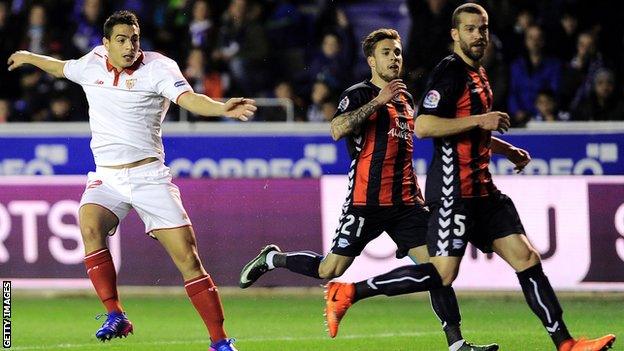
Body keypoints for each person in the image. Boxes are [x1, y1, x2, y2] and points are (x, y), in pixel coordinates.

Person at [324, 4, 616, 351]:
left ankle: (566, 344)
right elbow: (426, 126)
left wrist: (505, 150)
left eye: (483, 29)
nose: (478, 36)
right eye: (470, 30)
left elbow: (468, 128)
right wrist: (481, 121)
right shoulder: (449, 73)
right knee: (443, 273)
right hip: (453, 191)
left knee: (526, 259)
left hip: (483, 190)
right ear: (455, 34)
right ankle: (351, 291)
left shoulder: (479, 74)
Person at [7, 10, 256, 351]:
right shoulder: (91, 63)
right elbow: (61, 66)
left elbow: (190, 100)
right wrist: (29, 57)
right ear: (106, 43)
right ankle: (115, 313)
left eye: (134, 39)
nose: (129, 47)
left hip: (149, 177)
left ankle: (219, 341)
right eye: (121, 41)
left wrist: (222, 108)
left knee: (188, 258)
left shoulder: (159, 67)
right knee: (89, 224)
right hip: (108, 177)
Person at [239, 28, 497, 351]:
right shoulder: (359, 93)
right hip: (365, 202)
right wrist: (378, 101)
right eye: (387, 52)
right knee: (328, 269)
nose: (394, 58)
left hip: (405, 205)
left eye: (398, 52)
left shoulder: (406, 98)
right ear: (372, 60)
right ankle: (272, 258)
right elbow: (337, 129)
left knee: (437, 269)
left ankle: (457, 343)